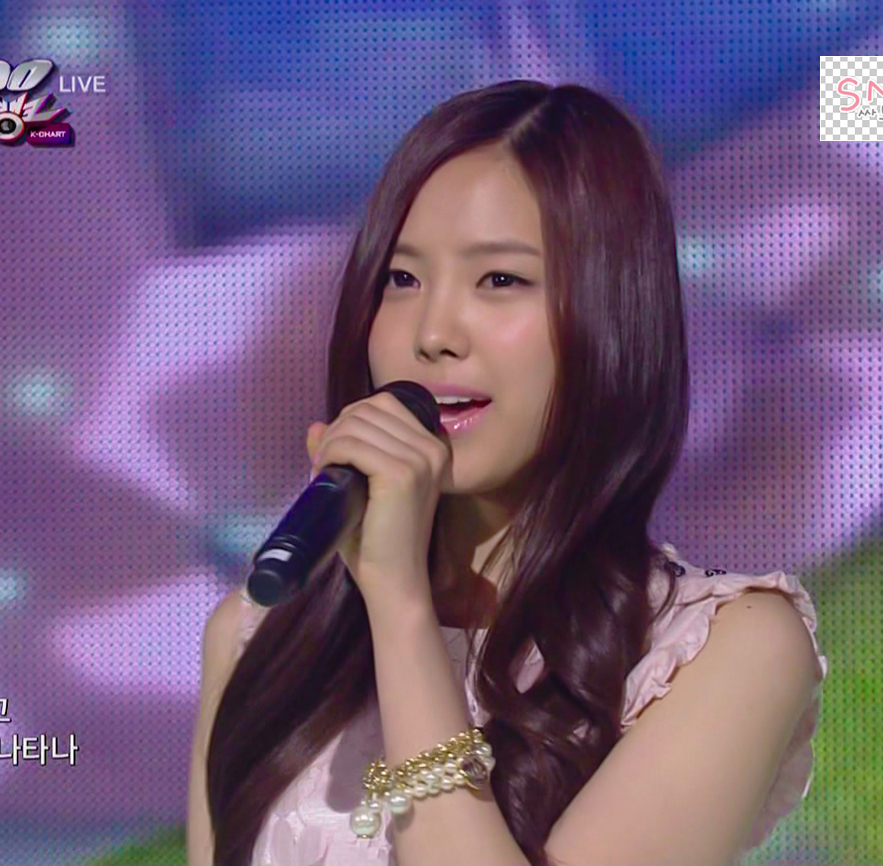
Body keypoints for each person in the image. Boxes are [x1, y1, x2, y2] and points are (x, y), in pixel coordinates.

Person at [187, 79, 828, 866]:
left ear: (611, 316)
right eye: (402, 279)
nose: (433, 334)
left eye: (499, 281)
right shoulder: (253, 638)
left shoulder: (726, 649)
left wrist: (401, 607)